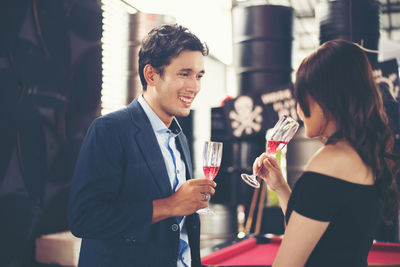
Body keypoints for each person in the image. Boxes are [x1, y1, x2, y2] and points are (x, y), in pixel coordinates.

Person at [68, 24, 216, 267]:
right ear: (151, 75)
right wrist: (171, 205)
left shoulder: (179, 137)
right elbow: (84, 218)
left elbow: (180, 229)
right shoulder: (109, 130)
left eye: (199, 76)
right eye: (184, 73)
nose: (194, 87)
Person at [253, 39, 400, 267]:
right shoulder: (367, 155)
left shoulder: (328, 161)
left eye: (301, 97)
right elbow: (323, 233)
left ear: (321, 99)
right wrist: (280, 186)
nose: (299, 110)